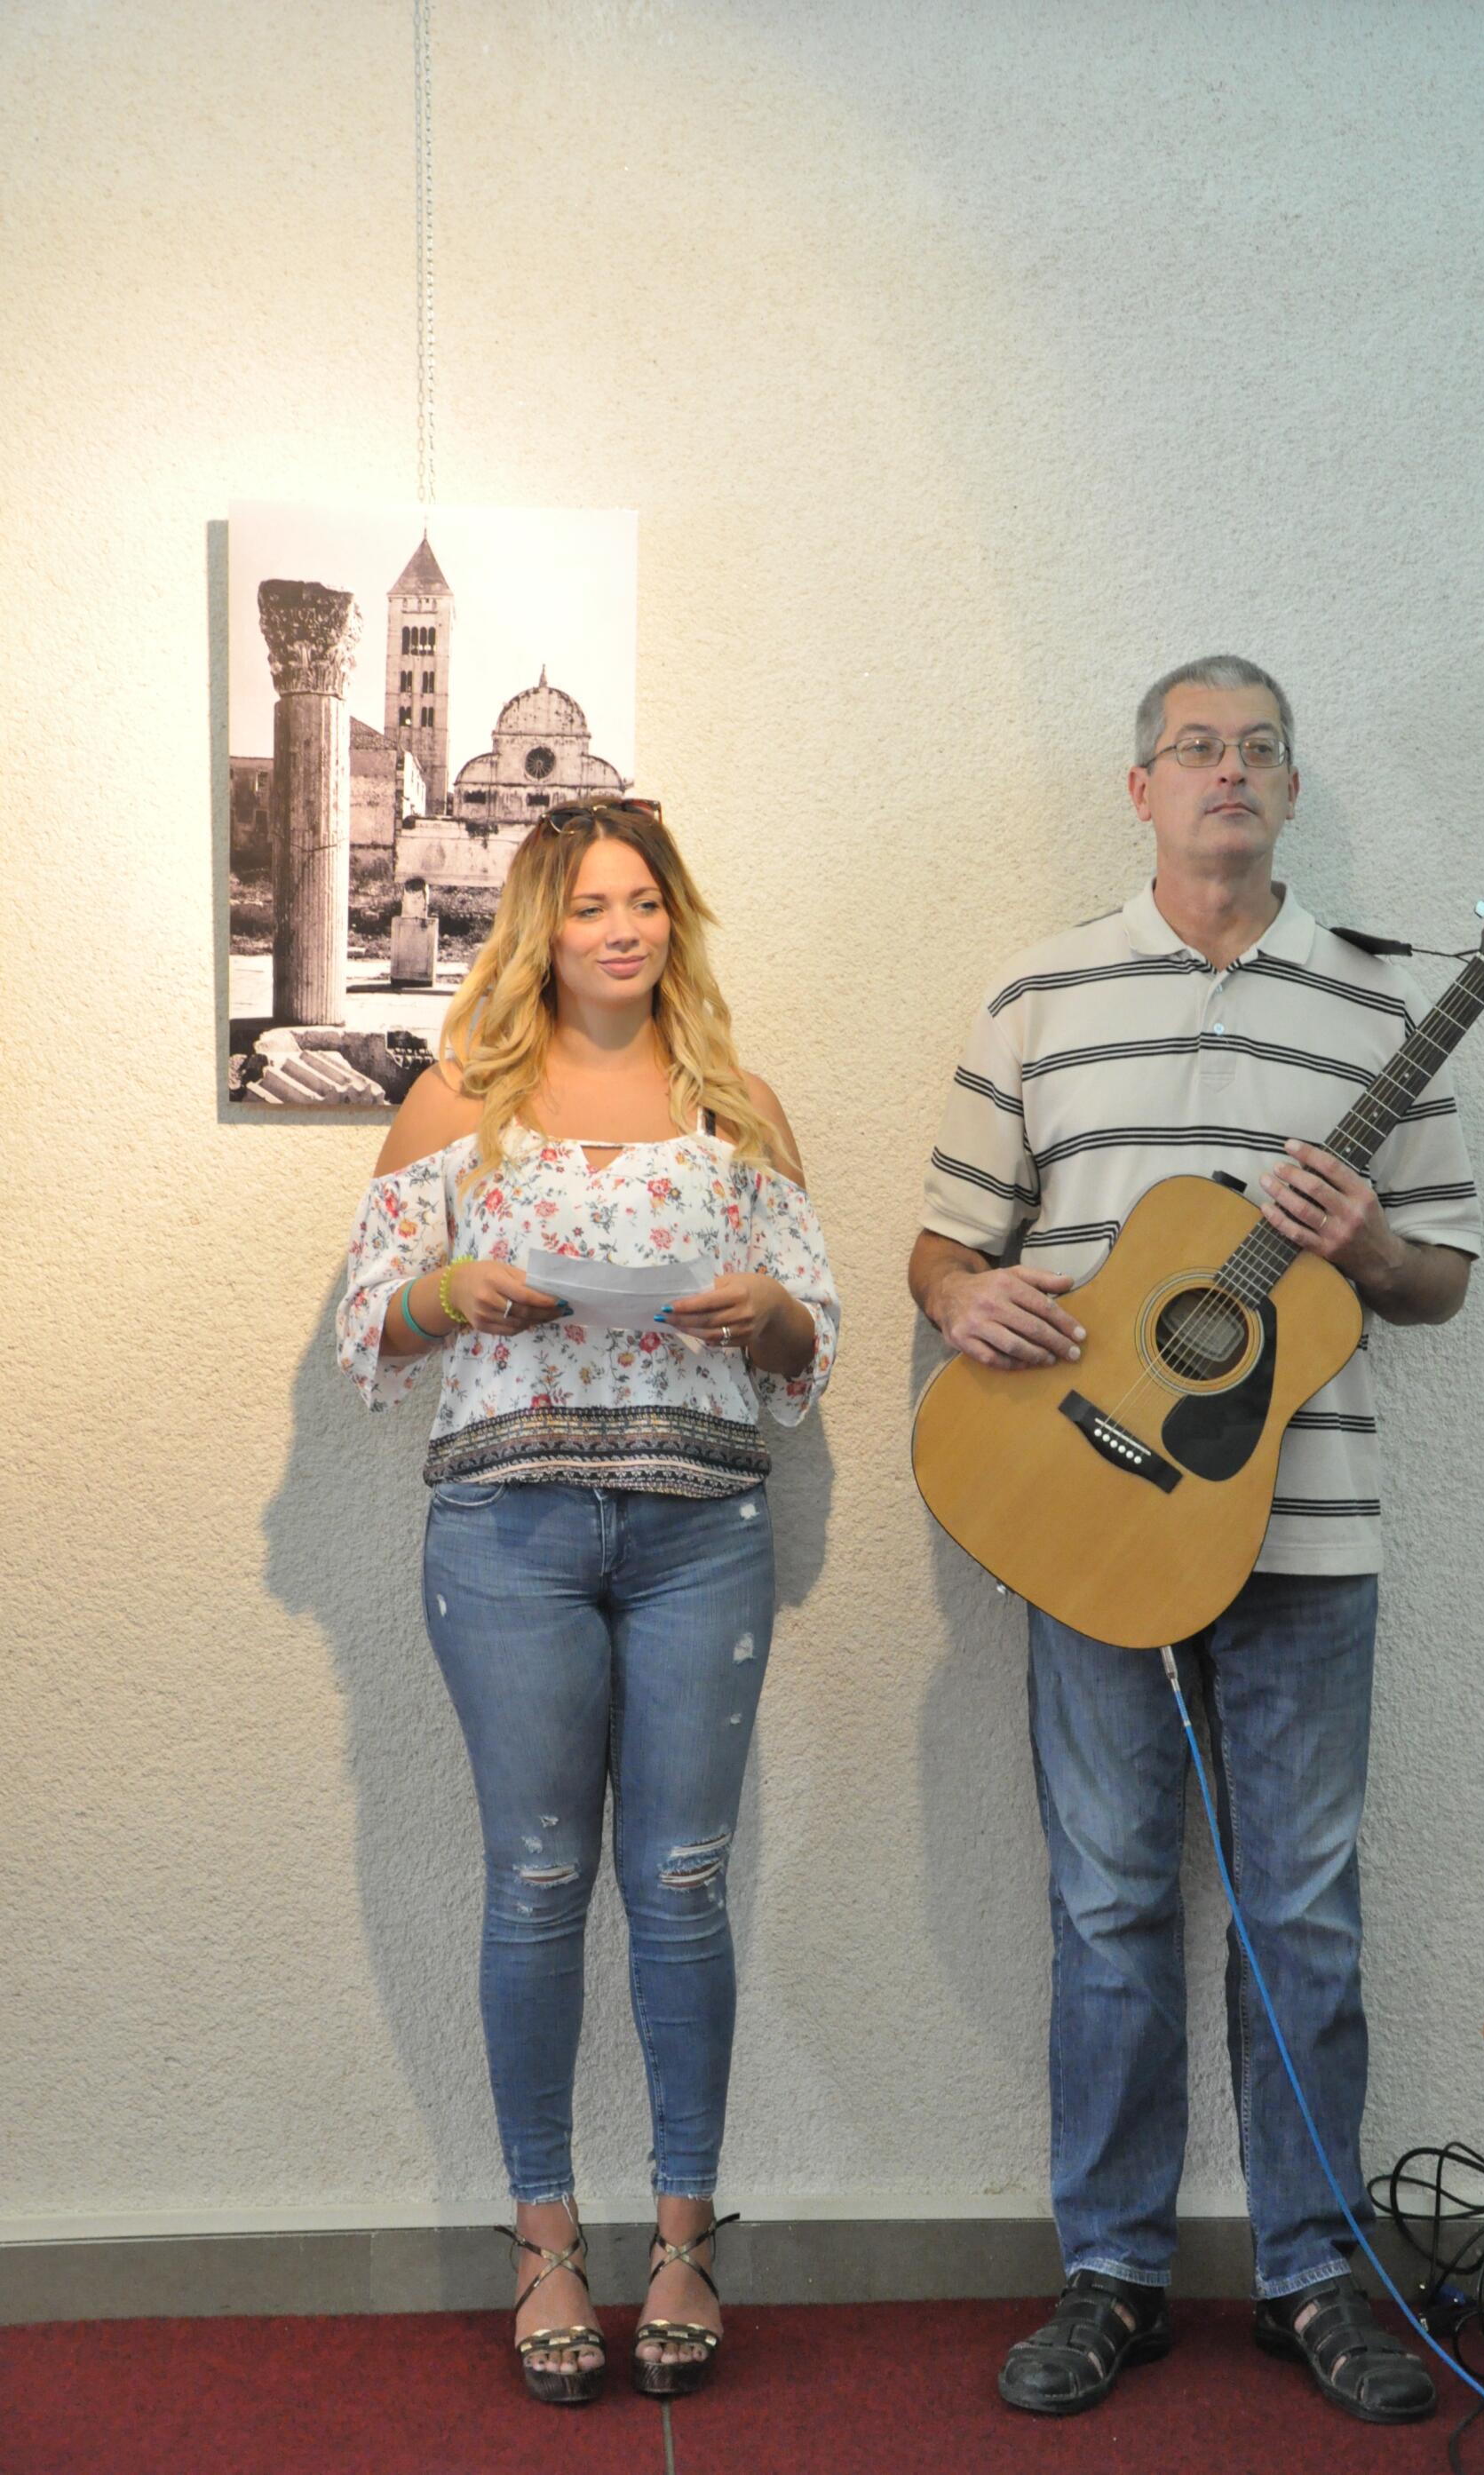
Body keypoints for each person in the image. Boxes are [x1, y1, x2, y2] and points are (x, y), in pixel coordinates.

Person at [909, 657, 1480, 2426]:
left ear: (1291, 790)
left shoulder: (1382, 1005)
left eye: (1258, 750)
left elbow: (1439, 1280)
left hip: (1306, 1539)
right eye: (1194, 747)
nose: (1227, 771)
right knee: (1105, 1904)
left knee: (1301, 1912)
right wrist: (968, 1298)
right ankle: (1112, 2272)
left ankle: (1315, 2274)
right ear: (1139, 786)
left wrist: (1366, 1246)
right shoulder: (1038, 991)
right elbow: (939, 1244)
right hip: (1085, 1524)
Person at [337, 799, 838, 2406]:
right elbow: (367, 1324)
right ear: (537, 930)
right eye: (588, 907)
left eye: (644, 903)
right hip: (509, 1533)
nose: (621, 931)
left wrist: (764, 1312)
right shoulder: (457, 1101)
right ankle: (545, 2239)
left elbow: (814, 1342)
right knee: (539, 1880)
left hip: (704, 1536)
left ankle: (685, 2238)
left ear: (674, 922)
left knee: (682, 1885)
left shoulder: (737, 1108)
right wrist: (449, 1291)